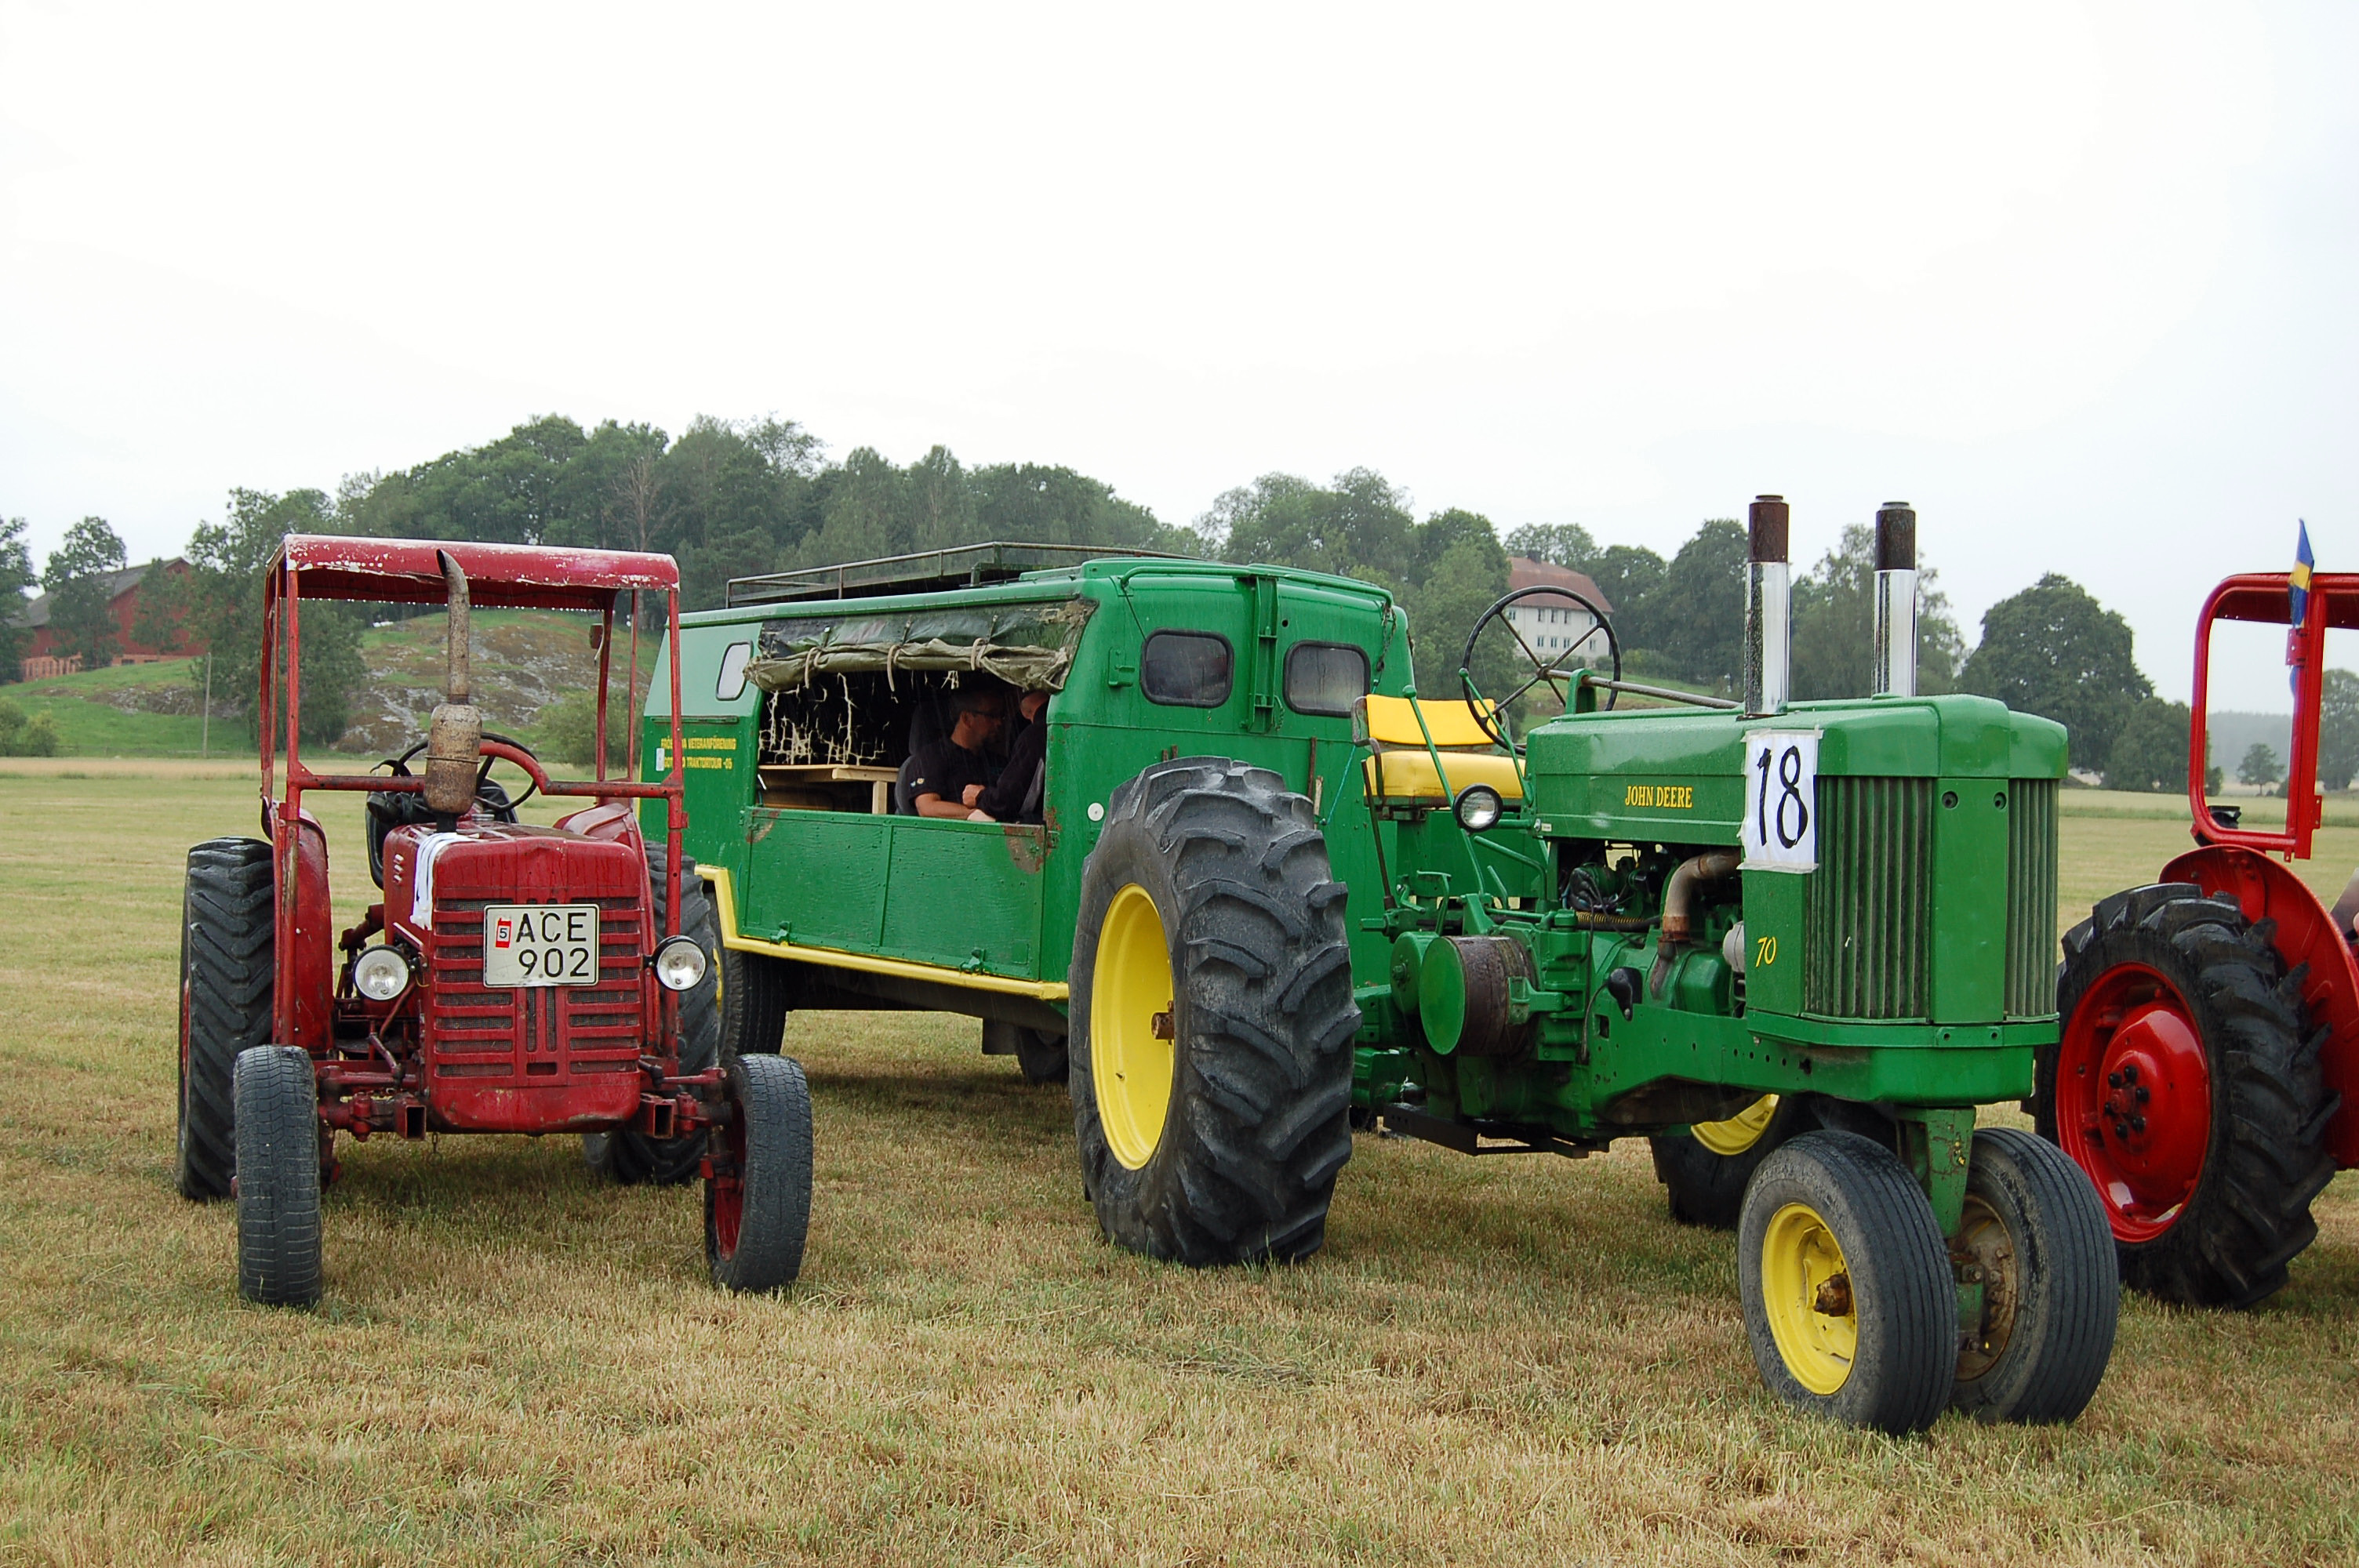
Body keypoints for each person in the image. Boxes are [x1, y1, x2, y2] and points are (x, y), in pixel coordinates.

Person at [908, 682, 1008, 818]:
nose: (999, 723)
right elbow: (928, 807)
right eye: (991, 715)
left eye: (1001, 716)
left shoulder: (998, 761)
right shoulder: (931, 757)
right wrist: (977, 816)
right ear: (967, 719)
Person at [969, 688, 1050, 824]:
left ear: (1024, 712)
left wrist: (980, 796)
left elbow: (1008, 801)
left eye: (1000, 716)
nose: (999, 723)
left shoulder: (1036, 735)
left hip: (1049, 831)